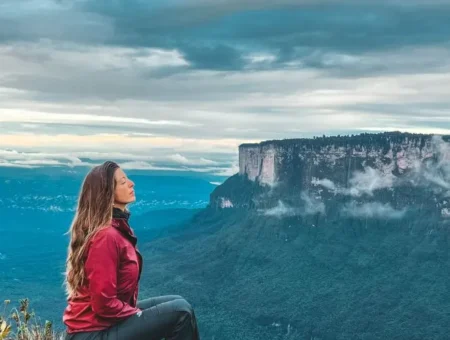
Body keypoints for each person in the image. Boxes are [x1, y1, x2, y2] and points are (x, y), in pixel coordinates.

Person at [62, 161, 201, 340]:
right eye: (122, 182)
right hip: (92, 334)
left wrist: (141, 315)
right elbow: (103, 304)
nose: (131, 183)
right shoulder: (106, 236)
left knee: (179, 302)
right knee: (181, 313)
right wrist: (137, 314)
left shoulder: (116, 228)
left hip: (103, 325)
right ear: (108, 195)